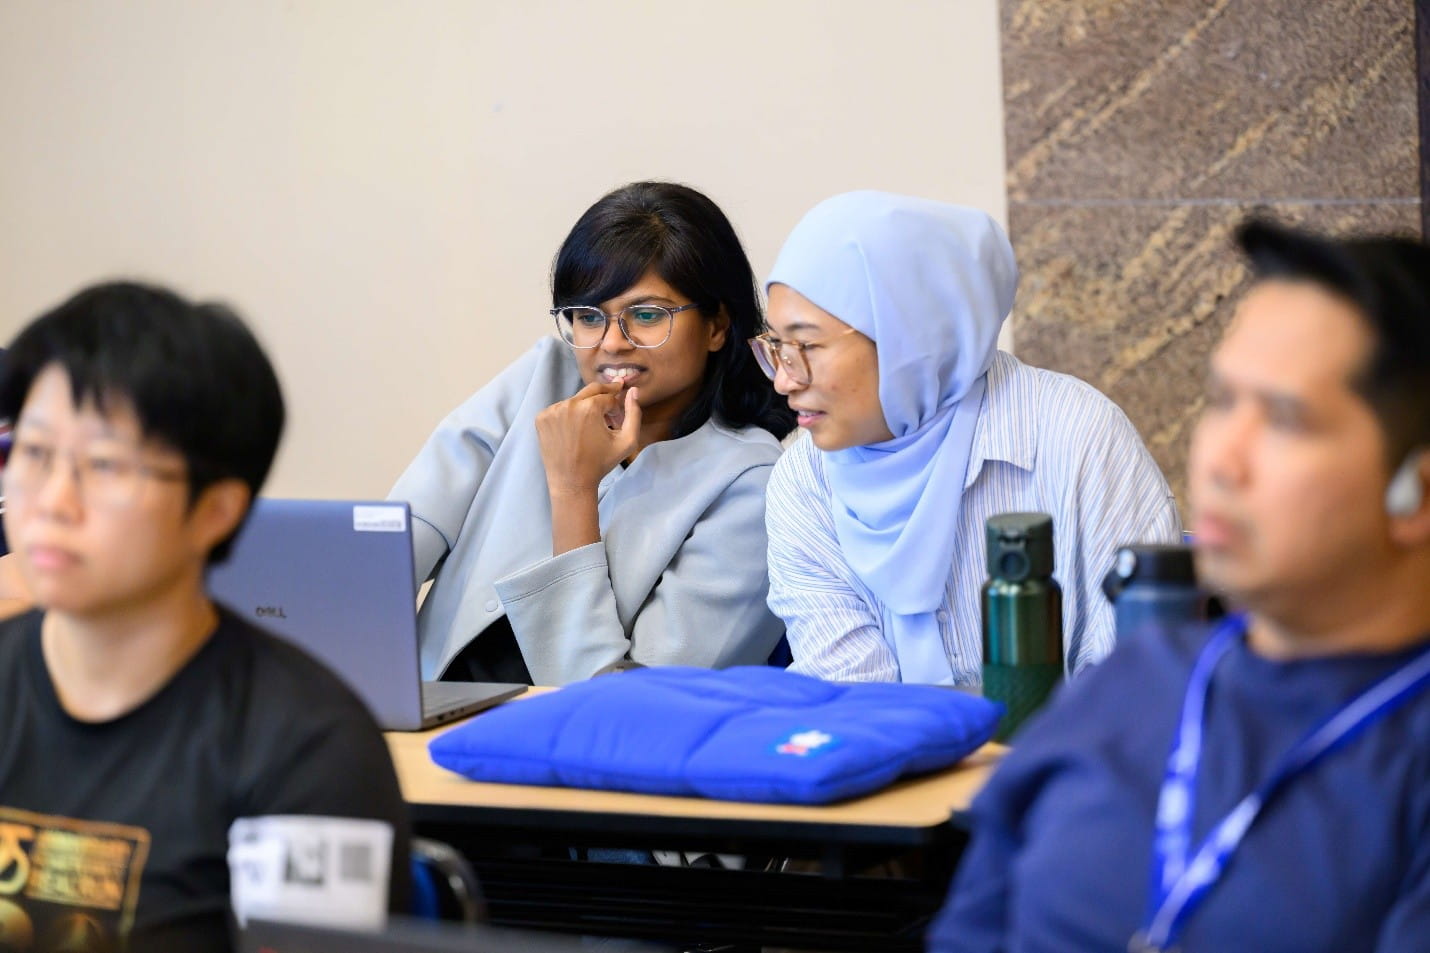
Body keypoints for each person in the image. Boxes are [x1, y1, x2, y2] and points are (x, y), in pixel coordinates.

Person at [929, 220, 1430, 952]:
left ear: (1414, 492)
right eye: (1223, 401)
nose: (1222, 460)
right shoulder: (1133, 683)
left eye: (1286, 420)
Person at [0, 282, 411, 952]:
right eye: (34, 452)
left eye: (103, 465)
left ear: (216, 508)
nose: (52, 499)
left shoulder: (309, 749)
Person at [756, 191, 1181, 685]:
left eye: (805, 346)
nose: (784, 380)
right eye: (776, 346)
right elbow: (851, 699)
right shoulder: (804, 480)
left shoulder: (1076, 437)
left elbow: (1138, 686)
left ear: (906, 333)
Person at [390, 181, 795, 686]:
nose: (610, 344)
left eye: (647, 316)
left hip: (569, 744)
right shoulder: (542, 377)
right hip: (430, 716)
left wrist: (573, 491)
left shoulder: (755, 486)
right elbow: (396, 543)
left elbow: (624, 706)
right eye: (587, 317)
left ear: (716, 326)